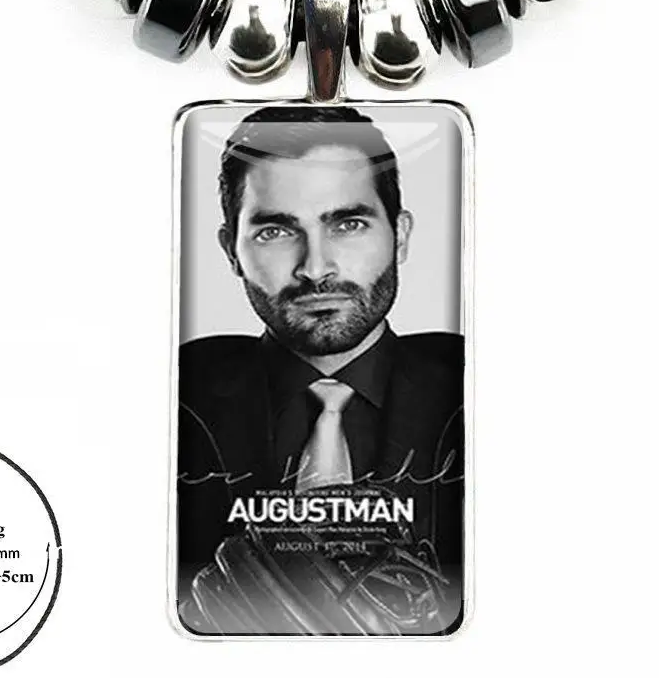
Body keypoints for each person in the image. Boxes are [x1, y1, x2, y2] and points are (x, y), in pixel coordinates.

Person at [176, 104, 464, 600]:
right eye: (275, 231)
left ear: (400, 236)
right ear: (230, 252)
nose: (315, 268)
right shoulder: (178, 390)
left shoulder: (475, 382)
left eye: (348, 224)